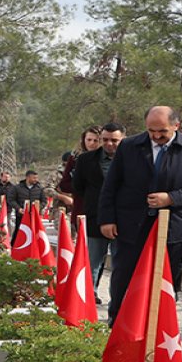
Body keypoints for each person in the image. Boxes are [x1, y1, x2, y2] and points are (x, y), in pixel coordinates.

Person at [99, 106, 182, 323]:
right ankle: (119, 319)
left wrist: (171, 198)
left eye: (163, 131)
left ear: (176, 126)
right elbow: (111, 185)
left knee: (165, 277)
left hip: (171, 226)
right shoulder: (129, 147)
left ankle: (159, 323)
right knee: (125, 273)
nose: (157, 136)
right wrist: (107, 219)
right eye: (152, 131)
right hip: (131, 223)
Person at [70, 122, 125, 296]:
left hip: (123, 219)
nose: (109, 144)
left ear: (123, 139)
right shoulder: (86, 160)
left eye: (114, 140)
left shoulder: (133, 159)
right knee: (92, 261)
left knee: (121, 264)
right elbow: (78, 186)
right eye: (105, 140)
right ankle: (87, 296)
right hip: (95, 217)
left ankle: (117, 299)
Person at [52, 126, 102, 223]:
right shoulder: (75, 159)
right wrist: (82, 185)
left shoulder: (108, 159)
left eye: (96, 140)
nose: (92, 143)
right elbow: (64, 185)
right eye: (89, 140)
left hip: (103, 210)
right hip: (81, 208)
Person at [8, 169, 46, 235]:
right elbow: (11, 200)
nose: (36, 179)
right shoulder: (17, 188)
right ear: (28, 177)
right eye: (34, 178)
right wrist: (18, 208)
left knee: (34, 233)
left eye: (36, 178)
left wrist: (39, 207)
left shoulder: (40, 188)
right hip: (21, 215)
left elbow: (44, 201)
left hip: (35, 215)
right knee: (19, 233)